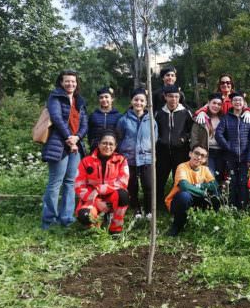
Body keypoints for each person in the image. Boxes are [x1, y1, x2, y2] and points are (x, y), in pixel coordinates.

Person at [41, 69, 88, 229]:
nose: (70, 84)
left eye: (73, 81)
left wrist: (77, 137)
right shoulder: (55, 97)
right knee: (55, 183)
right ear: (61, 82)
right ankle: (49, 221)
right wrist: (69, 138)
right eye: (67, 81)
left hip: (75, 145)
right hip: (59, 144)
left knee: (70, 182)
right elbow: (57, 119)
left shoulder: (79, 100)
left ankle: (66, 218)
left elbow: (84, 123)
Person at [74, 131, 129, 234]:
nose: (107, 146)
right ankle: (97, 228)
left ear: (116, 146)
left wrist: (98, 189)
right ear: (99, 144)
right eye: (104, 143)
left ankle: (115, 229)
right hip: (92, 199)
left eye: (111, 144)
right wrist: (97, 201)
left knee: (123, 195)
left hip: (112, 198)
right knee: (84, 215)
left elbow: (122, 182)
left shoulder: (121, 160)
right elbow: (79, 186)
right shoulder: (86, 161)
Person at [116, 88, 157, 218]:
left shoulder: (151, 120)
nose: (138, 103)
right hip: (129, 157)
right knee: (132, 185)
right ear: (131, 101)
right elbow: (119, 136)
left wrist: (148, 149)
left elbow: (154, 137)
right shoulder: (124, 120)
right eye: (136, 100)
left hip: (146, 157)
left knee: (148, 185)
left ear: (146, 103)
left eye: (142, 100)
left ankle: (149, 209)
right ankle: (137, 209)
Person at [165, 145, 220, 236]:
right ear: (190, 154)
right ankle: (177, 225)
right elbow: (184, 186)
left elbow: (214, 185)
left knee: (217, 195)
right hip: (179, 202)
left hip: (197, 201)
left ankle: (209, 224)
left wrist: (198, 185)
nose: (199, 157)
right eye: (196, 153)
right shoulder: (182, 167)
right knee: (184, 196)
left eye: (202, 155)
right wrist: (203, 192)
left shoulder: (205, 169)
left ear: (205, 159)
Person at [155, 84, 193, 208]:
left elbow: (192, 130)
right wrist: (160, 140)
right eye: (170, 96)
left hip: (181, 152)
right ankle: (159, 204)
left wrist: (184, 138)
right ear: (165, 97)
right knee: (159, 179)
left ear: (179, 97)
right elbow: (155, 129)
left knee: (179, 180)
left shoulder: (186, 112)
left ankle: (176, 203)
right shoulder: (159, 113)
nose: (173, 99)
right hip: (163, 152)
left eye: (176, 97)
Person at [215, 91, 250, 208]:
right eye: (235, 100)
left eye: (240, 100)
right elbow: (219, 134)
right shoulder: (226, 118)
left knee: (243, 182)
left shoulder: (248, 118)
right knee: (232, 181)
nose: (238, 102)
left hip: (244, 157)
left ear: (244, 103)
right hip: (230, 157)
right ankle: (232, 206)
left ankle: (243, 207)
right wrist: (228, 146)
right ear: (232, 103)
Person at [190, 93, 225, 181]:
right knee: (210, 177)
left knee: (220, 178)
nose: (216, 106)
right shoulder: (201, 118)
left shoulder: (224, 119)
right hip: (207, 152)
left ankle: (219, 195)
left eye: (219, 104)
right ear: (208, 103)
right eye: (214, 103)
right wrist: (198, 154)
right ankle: (208, 195)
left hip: (221, 152)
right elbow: (194, 138)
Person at [87, 86, 122, 151]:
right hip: (95, 149)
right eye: (101, 97)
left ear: (112, 99)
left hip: (113, 150)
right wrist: (92, 143)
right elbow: (89, 133)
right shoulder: (93, 116)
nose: (104, 99)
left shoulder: (119, 116)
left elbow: (120, 134)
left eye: (106, 97)